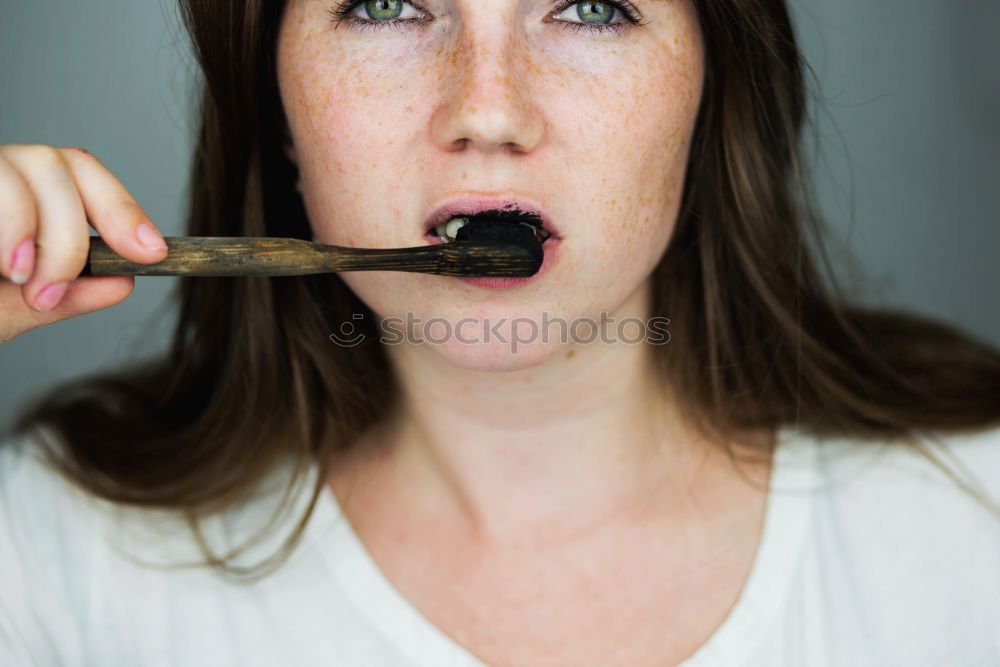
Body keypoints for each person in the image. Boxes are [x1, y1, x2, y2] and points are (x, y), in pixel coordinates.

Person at [1, 0, 998, 665]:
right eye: (386, 1)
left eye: (592, 5)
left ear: (709, 95)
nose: (488, 110)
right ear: (277, 110)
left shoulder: (969, 516)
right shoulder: (63, 549)